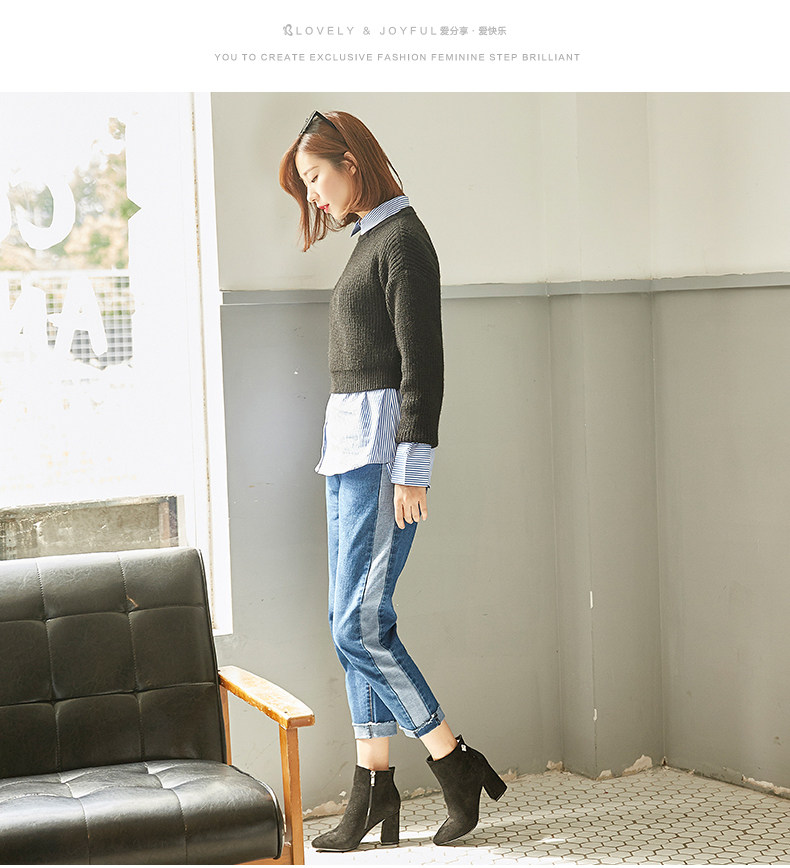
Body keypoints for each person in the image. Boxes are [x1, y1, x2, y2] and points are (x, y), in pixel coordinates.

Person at [279, 110, 506, 852]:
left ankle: (452, 758)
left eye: (315, 176)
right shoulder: (368, 239)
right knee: (350, 623)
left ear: (352, 161)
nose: (314, 194)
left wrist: (413, 469)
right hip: (346, 456)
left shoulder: (404, 240)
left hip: (382, 460)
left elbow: (422, 366)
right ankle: (373, 784)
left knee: (359, 625)